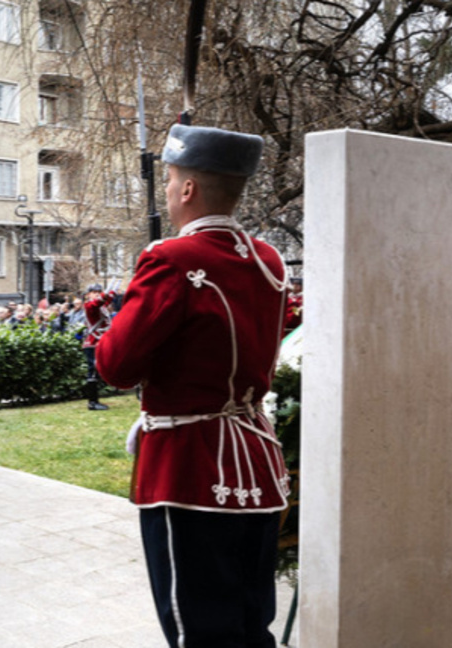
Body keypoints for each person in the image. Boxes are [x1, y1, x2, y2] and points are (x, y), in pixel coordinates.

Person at [96, 124, 290, 648]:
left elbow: (115, 364)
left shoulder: (171, 260)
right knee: (252, 625)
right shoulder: (268, 260)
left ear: (187, 190)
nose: (167, 191)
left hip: (189, 467)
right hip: (257, 461)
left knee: (198, 630)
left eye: (171, 181)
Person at [82, 284, 114, 411]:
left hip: (102, 342)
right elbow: (96, 304)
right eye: (93, 292)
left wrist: (111, 292)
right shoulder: (89, 305)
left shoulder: (102, 307)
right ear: (88, 295)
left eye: (98, 291)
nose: (96, 293)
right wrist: (103, 295)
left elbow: (106, 300)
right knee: (93, 371)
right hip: (93, 343)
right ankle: (92, 402)